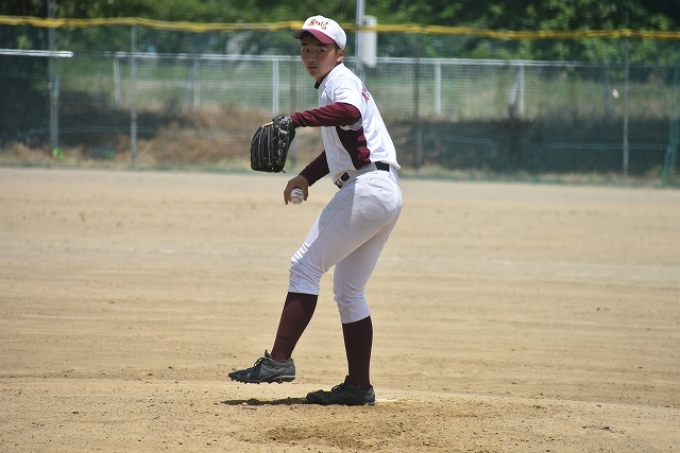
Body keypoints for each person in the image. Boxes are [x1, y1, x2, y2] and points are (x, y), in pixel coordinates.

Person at [229, 15, 402, 406]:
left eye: (320, 49)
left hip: (368, 189)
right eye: (306, 49)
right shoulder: (333, 85)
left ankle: (278, 360)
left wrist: (296, 119)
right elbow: (339, 150)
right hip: (383, 190)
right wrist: (306, 177)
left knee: (304, 267)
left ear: (338, 53)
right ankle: (358, 387)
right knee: (349, 291)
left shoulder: (340, 82)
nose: (311, 56)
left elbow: (350, 112)